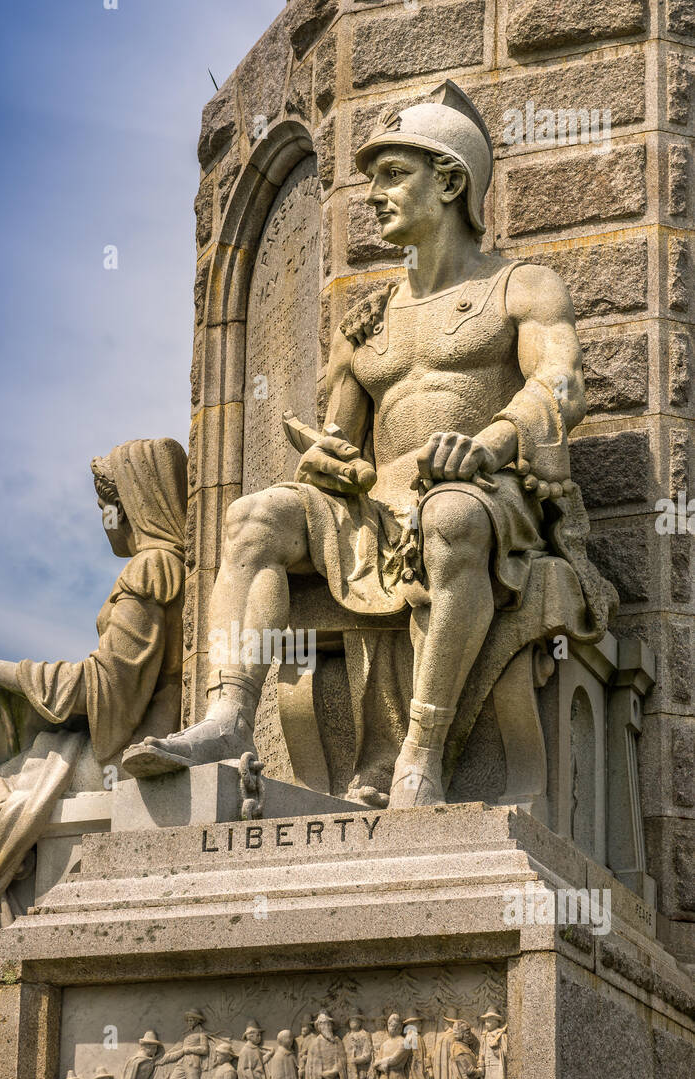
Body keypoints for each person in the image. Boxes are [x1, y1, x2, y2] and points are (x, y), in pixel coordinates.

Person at [122, 82, 615, 812]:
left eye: (392, 174)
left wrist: (487, 444)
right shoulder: (371, 320)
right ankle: (229, 715)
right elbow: (334, 441)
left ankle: (421, 752)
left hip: (484, 492)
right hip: (376, 507)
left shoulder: (520, 287)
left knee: (450, 518)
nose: (374, 194)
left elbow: (561, 389)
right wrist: (327, 460)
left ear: (449, 180)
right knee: (252, 518)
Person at [0, 438, 188, 1011]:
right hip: (112, 741)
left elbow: (103, 690)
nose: (104, 518)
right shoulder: (169, 569)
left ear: (137, 502)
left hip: (119, 754)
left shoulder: (150, 571)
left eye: (109, 503)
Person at [157, 1007, 210, 1079]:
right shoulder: (185, 1034)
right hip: (182, 1061)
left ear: (197, 1021)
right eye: (188, 1020)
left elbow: (205, 1050)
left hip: (193, 1061)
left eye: (192, 1020)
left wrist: (189, 1050)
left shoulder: (201, 1033)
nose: (189, 1022)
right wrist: (163, 1058)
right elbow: (177, 1047)